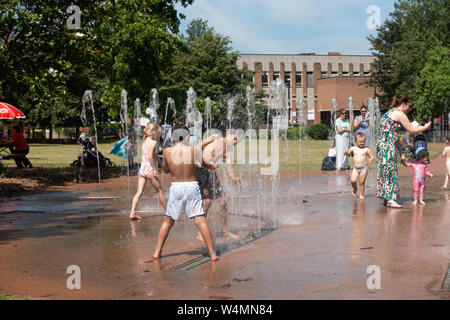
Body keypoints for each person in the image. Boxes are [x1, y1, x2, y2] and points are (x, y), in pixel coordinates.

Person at [152, 125, 219, 261]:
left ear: (173, 137)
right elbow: (205, 165)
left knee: (168, 221)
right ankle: (213, 254)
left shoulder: (167, 152)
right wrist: (212, 166)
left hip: (176, 186)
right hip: (192, 186)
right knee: (200, 220)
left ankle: (157, 252)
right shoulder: (193, 150)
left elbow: (165, 170)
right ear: (186, 137)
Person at [376, 95, 431, 208]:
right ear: (404, 104)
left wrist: (401, 152)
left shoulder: (390, 112)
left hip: (383, 145)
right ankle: (390, 199)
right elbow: (411, 129)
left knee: (385, 170)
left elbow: (394, 135)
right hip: (387, 146)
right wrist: (425, 127)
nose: (409, 109)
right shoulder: (399, 114)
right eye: (409, 106)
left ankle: (386, 198)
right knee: (390, 171)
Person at [195, 132, 240, 241]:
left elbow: (229, 167)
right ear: (228, 134)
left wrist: (234, 178)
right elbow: (197, 147)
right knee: (207, 201)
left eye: (236, 142)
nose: (234, 142)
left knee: (223, 200)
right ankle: (200, 232)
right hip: (201, 171)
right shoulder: (215, 137)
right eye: (234, 139)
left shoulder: (227, 153)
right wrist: (208, 164)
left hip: (211, 172)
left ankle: (225, 231)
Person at [129, 123, 167, 220]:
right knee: (160, 191)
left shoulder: (145, 140)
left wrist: (161, 165)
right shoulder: (153, 143)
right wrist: (155, 169)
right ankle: (169, 214)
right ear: (154, 132)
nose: (158, 135)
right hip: (149, 169)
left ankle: (132, 213)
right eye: (158, 133)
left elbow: (155, 155)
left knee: (139, 192)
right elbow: (150, 157)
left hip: (142, 169)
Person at [344, 133, 374, 199]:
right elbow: (347, 152)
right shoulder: (354, 148)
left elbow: (372, 156)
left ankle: (361, 194)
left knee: (362, 182)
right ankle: (355, 189)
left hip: (364, 168)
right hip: (356, 168)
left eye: (363, 141)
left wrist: (371, 159)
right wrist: (346, 152)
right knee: (353, 180)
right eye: (360, 142)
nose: (362, 143)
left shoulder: (366, 149)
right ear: (356, 141)